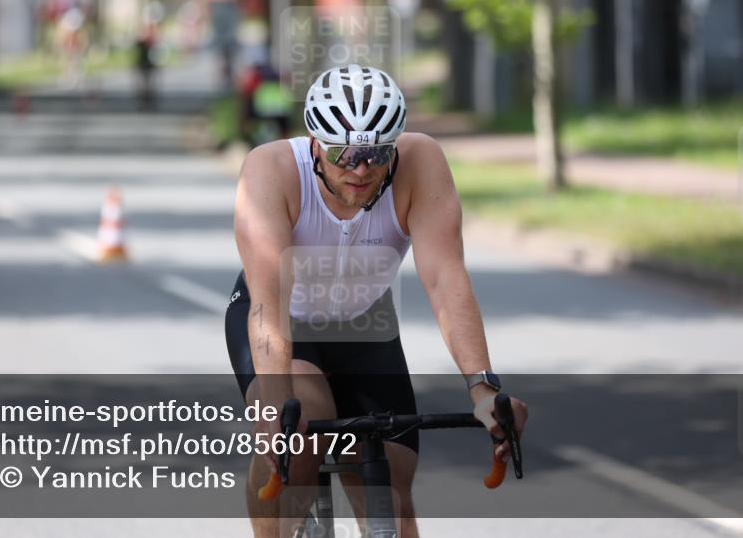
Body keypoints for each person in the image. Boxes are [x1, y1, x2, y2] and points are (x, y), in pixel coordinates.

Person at [226, 64, 529, 538]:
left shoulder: (421, 162)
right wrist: (273, 410)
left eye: (376, 153)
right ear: (313, 143)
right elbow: (269, 306)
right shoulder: (271, 169)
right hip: (286, 323)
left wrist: (483, 387)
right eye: (343, 154)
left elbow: (445, 279)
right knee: (295, 440)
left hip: (363, 327)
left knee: (390, 489)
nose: (361, 169)